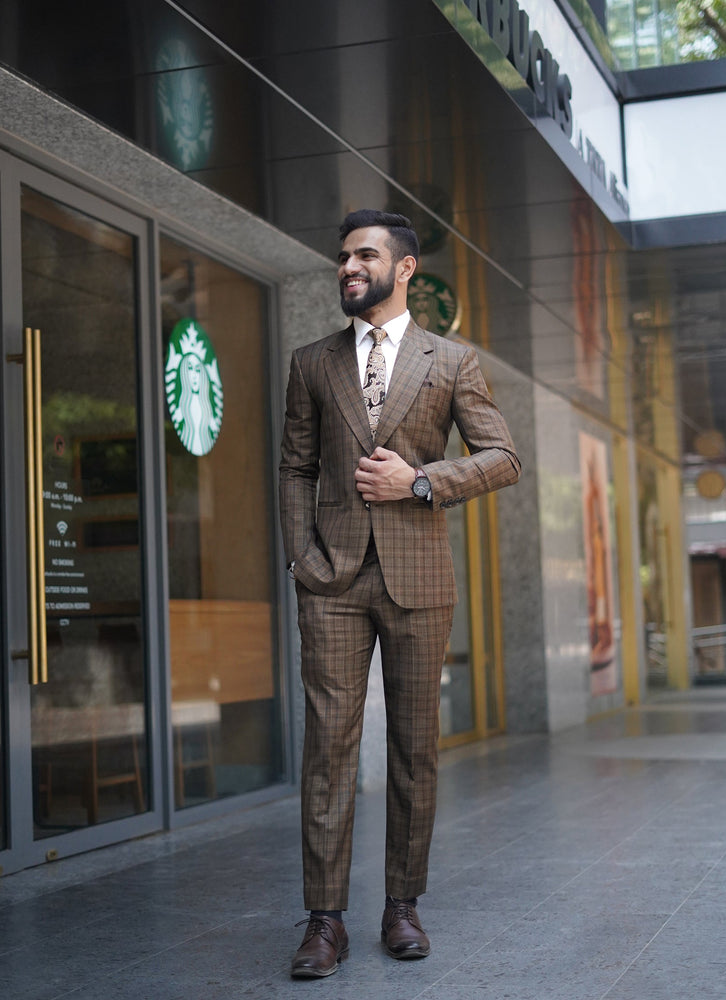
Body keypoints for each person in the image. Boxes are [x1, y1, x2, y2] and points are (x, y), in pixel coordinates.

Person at [279, 209, 521, 978]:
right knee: (329, 751)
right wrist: (302, 560)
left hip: (420, 578)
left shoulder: (452, 362)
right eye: (343, 257)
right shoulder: (311, 362)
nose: (348, 267)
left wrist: (420, 480)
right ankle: (324, 920)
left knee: (416, 750)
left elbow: (503, 457)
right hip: (333, 581)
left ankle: (402, 906)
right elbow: (294, 467)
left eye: (364, 256)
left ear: (405, 269)